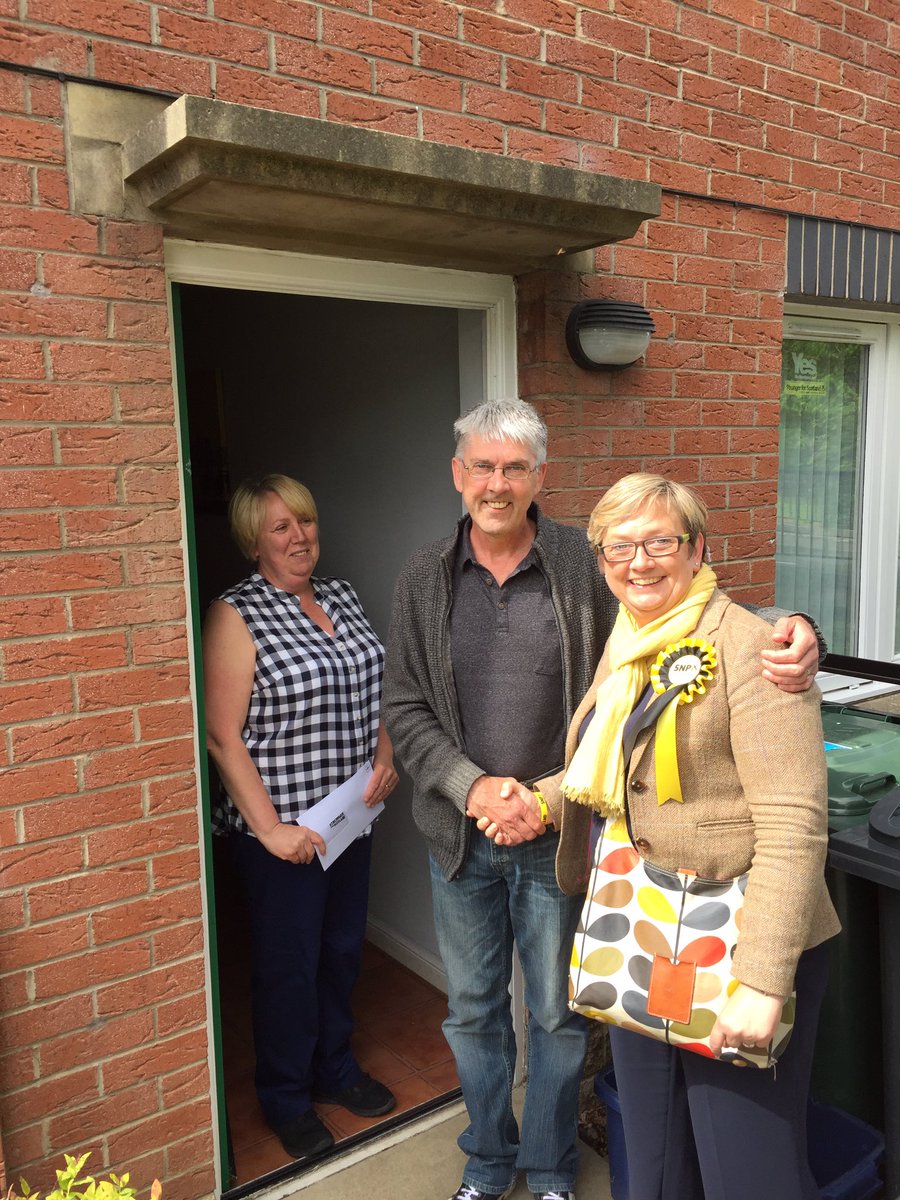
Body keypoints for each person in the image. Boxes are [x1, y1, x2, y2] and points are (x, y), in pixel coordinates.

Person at [382, 400, 821, 1200]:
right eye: (482, 466)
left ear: (540, 476)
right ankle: (489, 1160)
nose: (497, 483)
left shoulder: (585, 567)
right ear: (457, 474)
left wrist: (791, 624)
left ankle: (550, 1168)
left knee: (564, 1022)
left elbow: (695, 617)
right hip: (488, 844)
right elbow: (410, 707)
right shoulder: (429, 580)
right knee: (480, 1018)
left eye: (515, 467)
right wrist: (477, 789)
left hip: (599, 863)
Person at [481, 472, 840, 1200]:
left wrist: (762, 981)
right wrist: (541, 800)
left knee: (747, 1168)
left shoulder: (756, 650)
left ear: (698, 548)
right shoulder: (629, 640)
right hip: (644, 929)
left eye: (659, 543)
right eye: (619, 547)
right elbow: (613, 766)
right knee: (652, 1153)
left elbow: (794, 824)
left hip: (739, 943)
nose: (638, 562)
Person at [203, 473, 399, 1161]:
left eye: (305, 522)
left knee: (340, 951)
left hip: (349, 820)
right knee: (289, 968)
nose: (299, 537)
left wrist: (384, 753)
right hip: (283, 835)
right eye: (280, 527)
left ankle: (335, 1069)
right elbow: (222, 736)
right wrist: (270, 829)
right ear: (253, 541)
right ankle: (286, 1095)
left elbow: (376, 686)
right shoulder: (236, 613)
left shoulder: (342, 595)